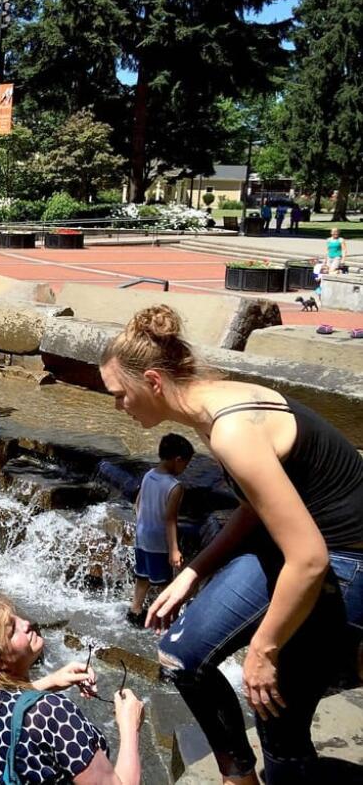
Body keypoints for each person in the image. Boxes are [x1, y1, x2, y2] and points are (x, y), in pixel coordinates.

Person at [99, 305, 363, 784]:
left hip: (344, 561)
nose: (119, 405)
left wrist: (263, 649)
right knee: (182, 654)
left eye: (120, 394)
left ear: (153, 381)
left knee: (275, 716)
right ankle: (238, 774)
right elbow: (258, 503)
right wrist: (193, 571)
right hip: (296, 544)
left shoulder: (232, 428)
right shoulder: (212, 407)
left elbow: (309, 558)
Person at [0, 595, 145, 785]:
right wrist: (130, 726)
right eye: (12, 630)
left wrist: (51, 681)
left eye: (16, 618)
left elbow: (3, 713)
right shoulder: (51, 713)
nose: (26, 624)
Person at [127, 433, 193, 628]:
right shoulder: (175, 486)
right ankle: (166, 617)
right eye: (186, 464)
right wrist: (174, 549)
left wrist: (141, 524)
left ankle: (135, 610)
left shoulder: (149, 475)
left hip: (142, 536)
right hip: (158, 541)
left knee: (142, 576)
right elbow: (170, 519)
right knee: (164, 582)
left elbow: (138, 503)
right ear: (178, 459)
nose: (185, 469)